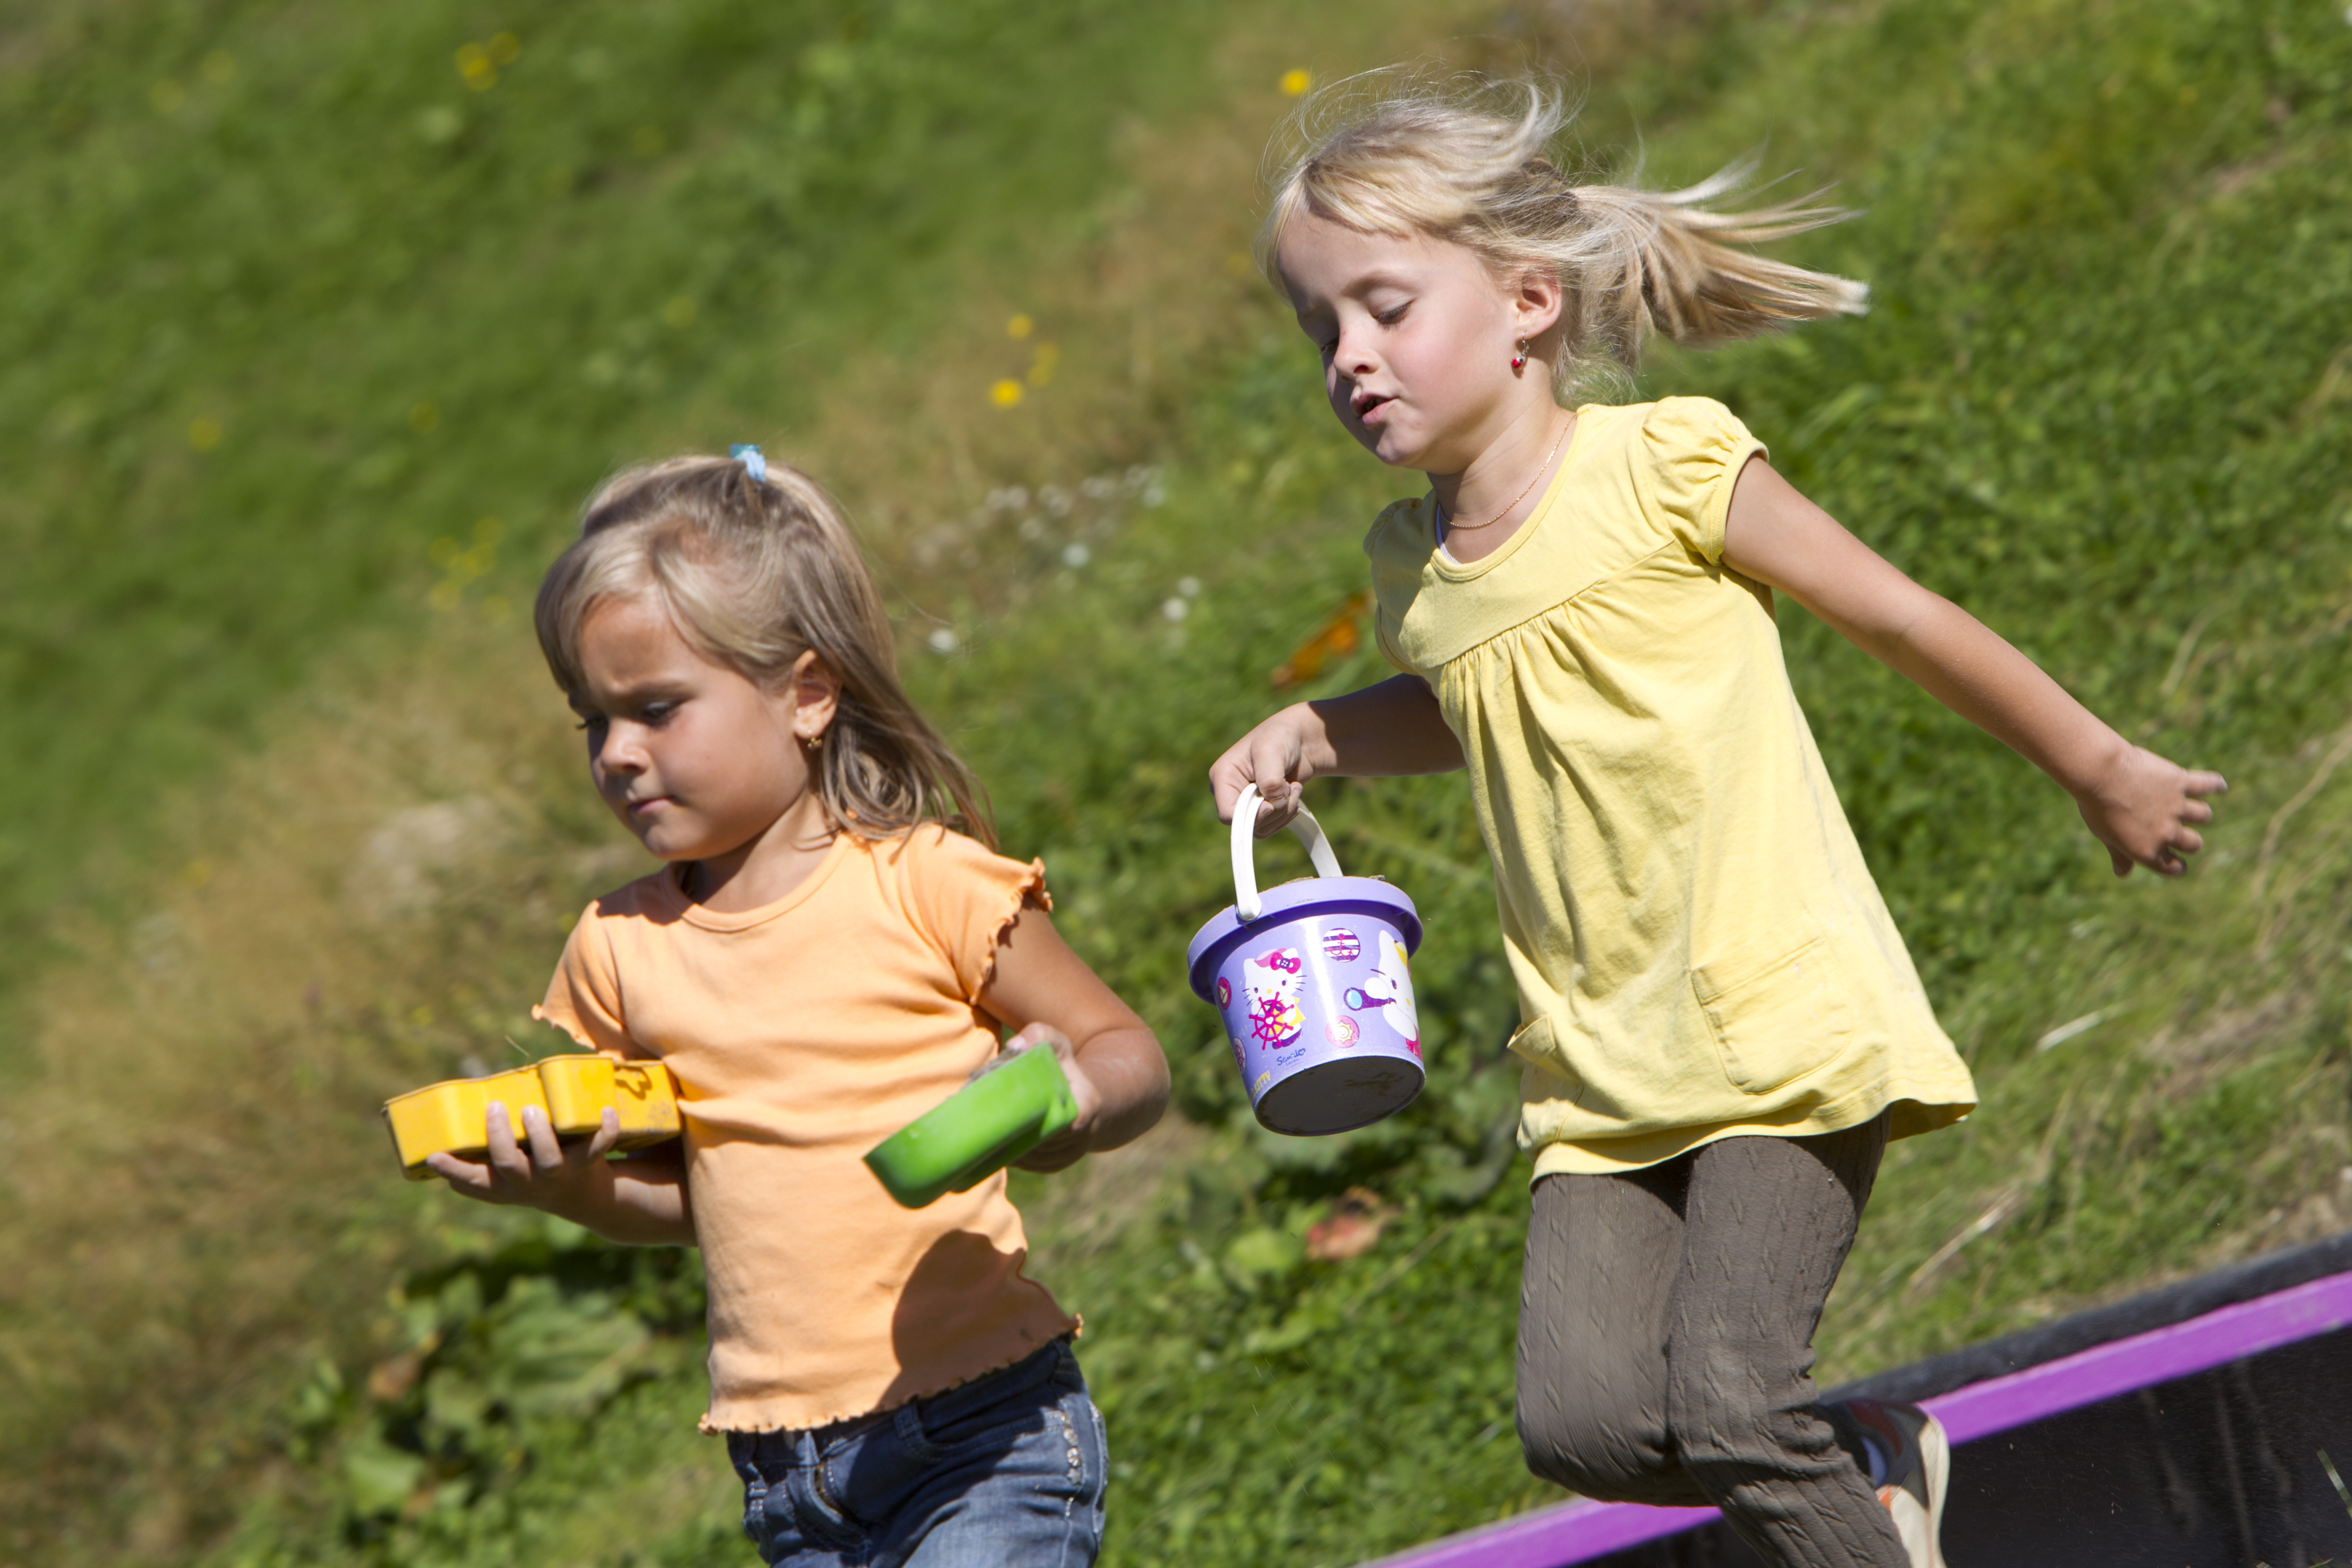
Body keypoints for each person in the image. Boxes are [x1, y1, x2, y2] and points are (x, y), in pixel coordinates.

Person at [1208, 78, 2224, 1568]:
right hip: (1597, 1062)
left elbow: (1894, 611)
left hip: (1768, 1004)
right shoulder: (1412, 565)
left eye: (1381, 308)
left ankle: (1837, 1492)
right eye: (1322, 333)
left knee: (1737, 1397)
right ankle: (1868, 1462)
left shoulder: (1662, 468)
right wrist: (1322, 729)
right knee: (1584, 1422)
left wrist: (2097, 761)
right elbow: (1477, 697)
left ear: (1525, 305)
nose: (1350, 358)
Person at [425, 449, 1169, 1568]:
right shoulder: (622, 951)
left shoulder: (925, 884)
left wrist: (1069, 1096)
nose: (619, 753)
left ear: (806, 693)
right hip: (790, 1482)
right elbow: (709, 1197)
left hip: (980, 1434)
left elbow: (1131, 1053)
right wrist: (572, 1189)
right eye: (591, 721)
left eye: (657, 709)